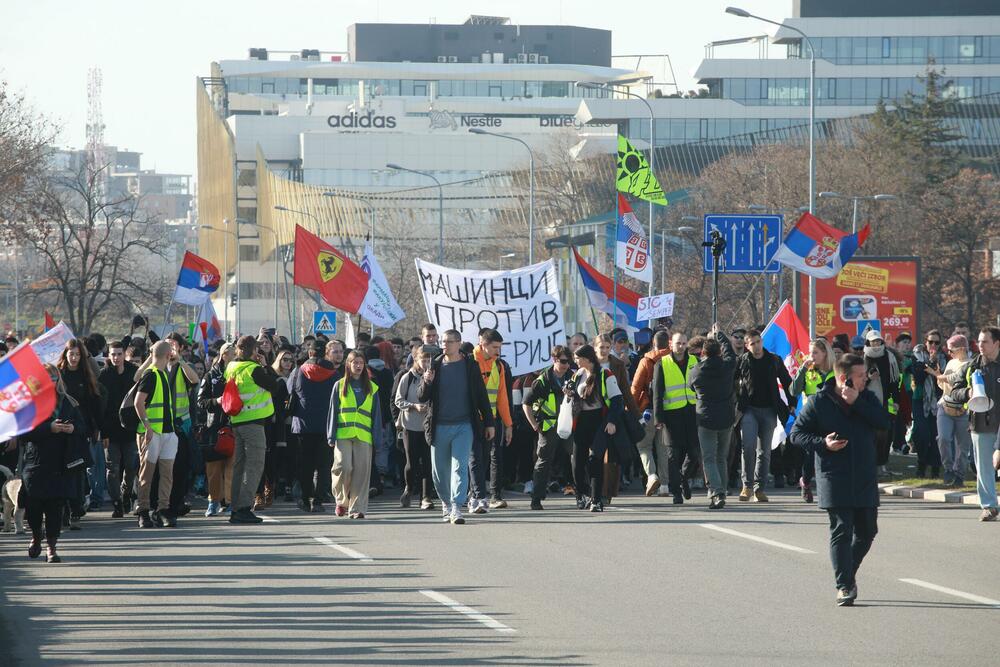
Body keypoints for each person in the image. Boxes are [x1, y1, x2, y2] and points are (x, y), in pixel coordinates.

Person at [790, 354, 890, 606]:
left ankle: (848, 570)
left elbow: (883, 422)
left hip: (864, 475)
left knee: (867, 531)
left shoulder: (866, 397)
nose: (865, 378)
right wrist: (822, 444)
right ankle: (844, 585)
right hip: (834, 475)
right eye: (859, 375)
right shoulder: (818, 402)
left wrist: (857, 403)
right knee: (841, 529)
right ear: (843, 378)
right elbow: (797, 434)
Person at [418, 329, 495, 525]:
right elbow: (422, 397)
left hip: (464, 425)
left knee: (460, 467)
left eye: (449, 342)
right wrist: (427, 382)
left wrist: (489, 423)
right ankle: (445, 501)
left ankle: (456, 507)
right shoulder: (434, 365)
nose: (445, 345)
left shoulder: (470, 365)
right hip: (439, 426)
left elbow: (481, 396)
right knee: (439, 472)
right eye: (443, 341)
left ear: (459, 343)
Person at [20, 365, 86, 563]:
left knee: (55, 507)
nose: (51, 382)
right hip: (36, 462)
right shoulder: (31, 404)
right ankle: (36, 537)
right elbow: (24, 433)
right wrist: (49, 428)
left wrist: (72, 428)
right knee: (33, 506)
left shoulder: (68, 401)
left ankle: (52, 546)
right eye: (47, 378)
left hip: (60, 462)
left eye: (54, 378)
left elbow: (83, 427)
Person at [947, 326, 1000, 521]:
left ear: (997, 343)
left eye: (985, 341)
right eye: (978, 341)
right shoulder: (973, 366)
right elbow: (954, 391)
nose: (980, 345)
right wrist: (967, 393)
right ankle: (989, 506)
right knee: (984, 467)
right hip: (981, 424)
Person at [224, 335, 278, 525]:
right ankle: (244, 508)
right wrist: (266, 366)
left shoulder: (231, 367)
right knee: (254, 467)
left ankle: (236, 507)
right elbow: (275, 385)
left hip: (237, 422)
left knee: (239, 467)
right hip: (253, 424)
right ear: (254, 351)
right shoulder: (254, 370)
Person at [736, 329, 793, 502]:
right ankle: (746, 486)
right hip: (749, 410)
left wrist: (791, 403)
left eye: (758, 341)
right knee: (748, 447)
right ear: (747, 345)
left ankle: (759, 488)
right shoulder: (742, 361)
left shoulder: (773, 360)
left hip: (769, 410)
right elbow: (730, 381)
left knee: (765, 451)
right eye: (752, 343)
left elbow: (786, 381)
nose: (757, 346)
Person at [327, 350, 383, 519]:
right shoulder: (339, 385)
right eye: (355, 363)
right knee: (343, 467)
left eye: (361, 363)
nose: (358, 366)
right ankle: (341, 501)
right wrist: (331, 435)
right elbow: (333, 410)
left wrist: (377, 439)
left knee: (361, 472)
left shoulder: (372, 387)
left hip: (364, 436)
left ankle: (357, 508)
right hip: (343, 434)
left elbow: (376, 415)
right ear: (348, 365)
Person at [688, 325, 737, 509]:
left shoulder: (697, 371)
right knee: (721, 457)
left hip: (706, 418)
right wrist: (721, 335)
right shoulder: (727, 367)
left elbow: (691, 387)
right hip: (726, 418)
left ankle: (717, 492)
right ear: (719, 352)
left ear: (703, 353)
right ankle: (721, 490)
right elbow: (731, 354)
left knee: (708, 457)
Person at [568, 344, 622, 512]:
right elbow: (574, 394)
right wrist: (569, 391)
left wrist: (612, 421)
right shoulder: (578, 374)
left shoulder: (605, 374)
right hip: (580, 421)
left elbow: (617, 400)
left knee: (595, 461)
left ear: (587, 359)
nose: (575, 361)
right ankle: (581, 495)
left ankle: (596, 500)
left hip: (599, 421)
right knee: (577, 463)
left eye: (577, 358)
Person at [57, 339, 104, 526]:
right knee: (62, 469)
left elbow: (94, 405)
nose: (74, 358)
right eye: (71, 354)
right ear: (65, 355)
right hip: (60, 428)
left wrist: (98, 429)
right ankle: (63, 509)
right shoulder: (59, 375)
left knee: (77, 469)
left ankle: (76, 507)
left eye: (77, 354)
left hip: (81, 429)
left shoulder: (86, 376)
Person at [522, 345, 575, 510]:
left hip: (568, 425)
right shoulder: (542, 380)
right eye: (563, 361)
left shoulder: (572, 377)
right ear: (554, 360)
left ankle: (583, 496)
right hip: (548, 426)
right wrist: (534, 425)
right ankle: (536, 499)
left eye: (569, 361)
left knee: (576, 458)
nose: (566, 365)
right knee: (544, 461)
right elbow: (526, 403)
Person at [652, 332, 701, 504]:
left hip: (692, 413)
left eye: (683, 343)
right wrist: (658, 418)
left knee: (694, 453)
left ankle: (682, 479)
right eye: (677, 343)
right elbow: (657, 393)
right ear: (671, 344)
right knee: (673, 456)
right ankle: (676, 493)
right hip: (671, 416)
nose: (680, 346)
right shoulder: (661, 364)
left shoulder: (695, 362)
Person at [290, 340, 338, 513]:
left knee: (305, 464)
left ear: (310, 353)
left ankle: (304, 498)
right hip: (327, 425)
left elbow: (290, 393)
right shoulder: (334, 373)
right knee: (324, 465)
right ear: (324, 353)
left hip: (303, 425)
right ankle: (318, 500)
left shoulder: (298, 372)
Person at [134, 341, 178, 528]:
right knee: (147, 474)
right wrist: (148, 426)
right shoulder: (151, 374)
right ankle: (143, 511)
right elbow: (138, 402)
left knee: (166, 474)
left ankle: (162, 510)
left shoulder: (161, 373)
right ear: (168, 356)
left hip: (167, 432)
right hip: (151, 433)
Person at [470, 329, 513, 513]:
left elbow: (502, 397)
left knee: (484, 458)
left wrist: (508, 424)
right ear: (482, 344)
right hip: (471, 419)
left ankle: (474, 494)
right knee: (475, 458)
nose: (498, 351)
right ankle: (478, 497)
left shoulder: (499, 366)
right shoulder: (469, 362)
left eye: (500, 347)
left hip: (491, 420)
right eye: (495, 347)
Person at [789, 338, 836, 503]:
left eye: (815, 352)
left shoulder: (834, 371)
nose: (812, 356)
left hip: (830, 417)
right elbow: (793, 391)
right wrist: (802, 369)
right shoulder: (808, 371)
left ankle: (830, 487)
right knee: (810, 454)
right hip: (810, 418)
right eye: (810, 352)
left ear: (825, 353)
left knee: (831, 451)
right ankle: (806, 482)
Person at [97, 340, 139, 518]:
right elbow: (100, 407)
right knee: (112, 469)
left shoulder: (133, 372)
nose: (116, 357)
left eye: (119, 354)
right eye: (113, 354)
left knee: (131, 466)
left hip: (130, 428)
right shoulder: (103, 375)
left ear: (124, 354)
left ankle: (126, 493)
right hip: (110, 431)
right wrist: (103, 432)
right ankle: (117, 503)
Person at [393, 344, 436, 510]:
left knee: (427, 462)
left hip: (428, 426)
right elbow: (398, 400)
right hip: (410, 425)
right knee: (411, 462)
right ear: (416, 360)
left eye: (428, 360)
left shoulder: (433, 376)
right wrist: (413, 406)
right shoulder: (407, 377)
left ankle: (426, 497)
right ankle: (409, 488)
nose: (425, 363)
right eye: (422, 360)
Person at [630, 330, 671, 496]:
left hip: (648, 410)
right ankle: (665, 486)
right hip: (669, 409)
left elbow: (636, 387)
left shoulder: (646, 360)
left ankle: (652, 475)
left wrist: (631, 409)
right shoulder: (673, 359)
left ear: (653, 344)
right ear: (668, 343)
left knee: (644, 445)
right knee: (663, 448)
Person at [196, 342, 235, 517]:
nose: (234, 356)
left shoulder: (239, 374)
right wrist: (217, 401)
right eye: (231, 353)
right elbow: (201, 401)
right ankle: (213, 501)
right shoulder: (211, 375)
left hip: (234, 426)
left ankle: (230, 503)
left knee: (232, 467)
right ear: (223, 354)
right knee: (213, 469)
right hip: (213, 428)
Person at [861, 330, 901, 475]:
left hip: (886, 402)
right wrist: (869, 377)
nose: (876, 344)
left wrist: (896, 401)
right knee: (871, 435)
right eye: (873, 342)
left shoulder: (889, 357)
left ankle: (882, 464)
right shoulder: (864, 358)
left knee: (886, 433)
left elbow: (893, 381)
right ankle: (870, 464)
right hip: (868, 403)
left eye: (878, 341)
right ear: (868, 343)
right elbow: (858, 383)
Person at [935, 335, 973, 486]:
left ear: (962, 349)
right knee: (943, 438)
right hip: (945, 405)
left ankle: (959, 474)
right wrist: (939, 377)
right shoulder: (951, 362)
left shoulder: (971, 364)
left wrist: (943, 378)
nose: (949, 353)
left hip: (963, 410)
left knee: (962, 446)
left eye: (952, 350)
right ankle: (948, 469)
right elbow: (943, 386)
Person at [910, 331, 948, 478]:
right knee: (922, 434)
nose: (933, 345)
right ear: (925, 342)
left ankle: (935, 469)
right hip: (920, 400)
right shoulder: (917, 355)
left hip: (938, 401)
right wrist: (930, 365)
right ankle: (921, 463)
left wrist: (935, 366)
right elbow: (918, 377)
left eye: (936, 343)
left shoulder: (944, 358)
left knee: (936, 435)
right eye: (930, 342)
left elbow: (944, 379)